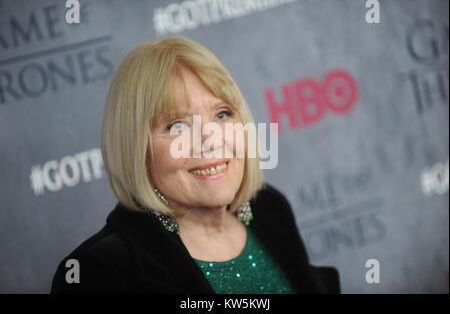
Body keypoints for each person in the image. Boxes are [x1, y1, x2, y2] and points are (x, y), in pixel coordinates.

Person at [51, 36, 340, 293]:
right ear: (137, 149)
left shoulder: (269, 208)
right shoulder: (100, 272)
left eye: (223, 114)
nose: (210, 140)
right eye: (177, 125)